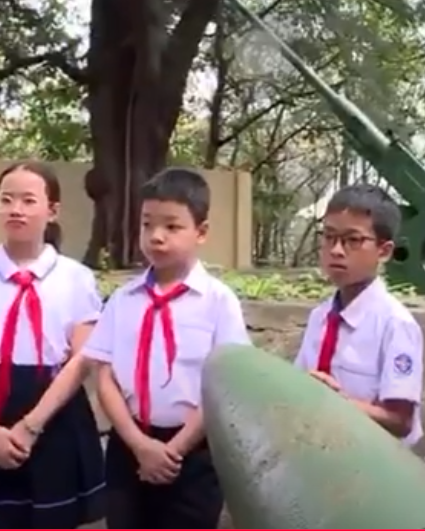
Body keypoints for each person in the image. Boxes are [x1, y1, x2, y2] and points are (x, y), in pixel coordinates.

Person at [82, 168, 252, 529]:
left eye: (172, 226)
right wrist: (138, 444)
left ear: (201, 232)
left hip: (192, 451)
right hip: (129, 445)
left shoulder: (218, 302)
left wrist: (173, 450)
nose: (156, 236)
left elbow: (224, 386)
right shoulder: (123, 300)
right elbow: (105, 376)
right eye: (147, 225)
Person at [0, 162, 105, 529]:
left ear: (52, 210)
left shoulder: (76, 278)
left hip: (56, 410)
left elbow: (82, 358)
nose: (16, 209)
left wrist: (31, 425)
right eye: (6, 199)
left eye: (29, 200)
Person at [293, 183, 424, 445]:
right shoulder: (321, 316)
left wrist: (337, 403)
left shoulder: (395, 324)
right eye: (329, 237)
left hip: (370, 459)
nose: (336, 250)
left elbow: (401, 421)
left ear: (384, 251)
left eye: (352, 240)